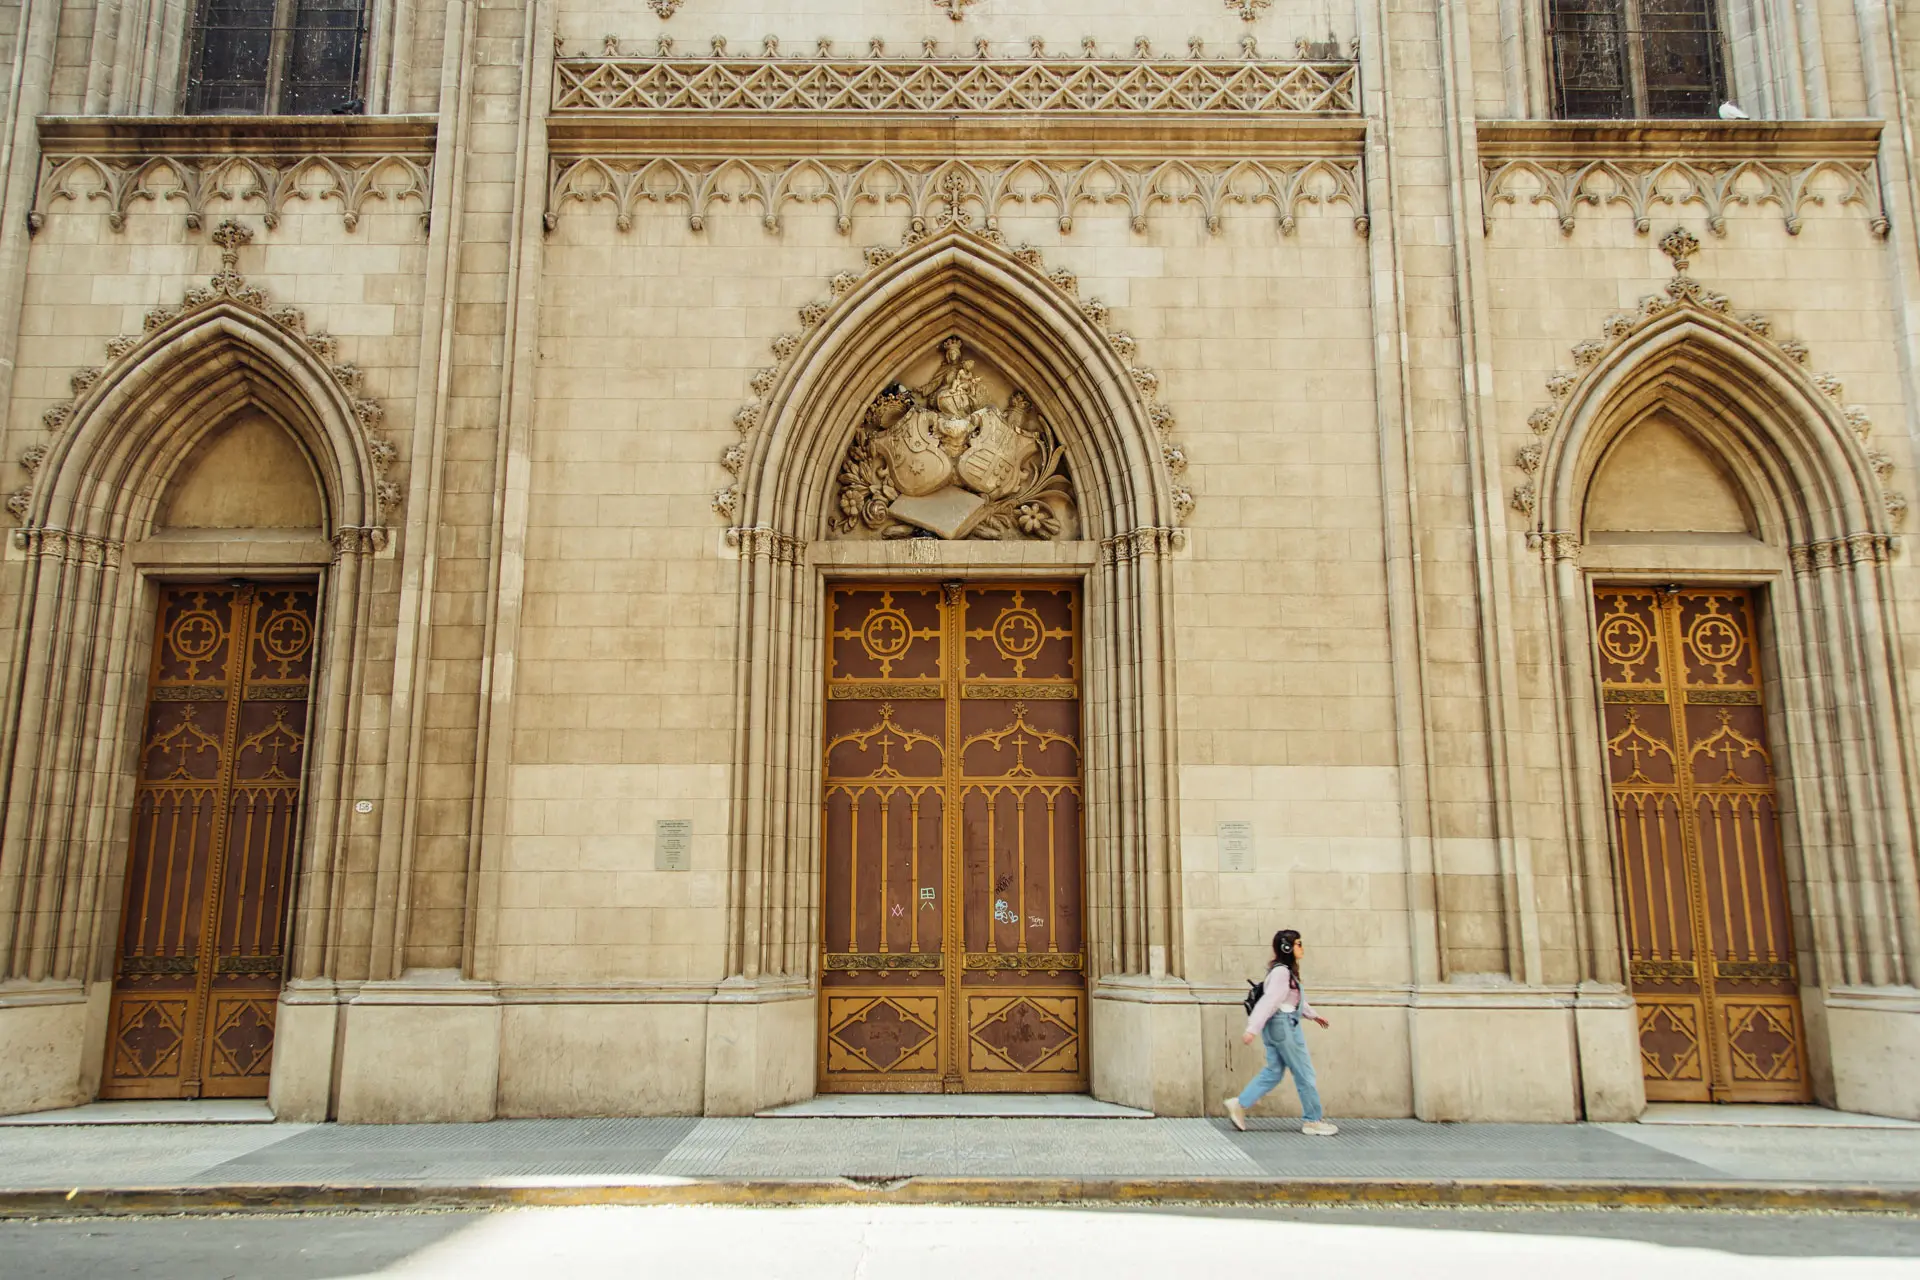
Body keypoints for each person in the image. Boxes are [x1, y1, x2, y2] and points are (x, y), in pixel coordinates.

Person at [1224, 928, 1338, 1136]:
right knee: (1304, 1071)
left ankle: (1240, 1104)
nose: (1302, 948)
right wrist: (1252, 1028)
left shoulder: (1282, 972)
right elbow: (1271, 1001)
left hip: (1277, 1025)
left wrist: (1313, 1015)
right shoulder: (1281, 973)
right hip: (1284, 1026)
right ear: (1287, 947)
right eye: (1298, 944)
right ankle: (1313, 1120)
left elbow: (1290, 1001)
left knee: (1274, 1071)